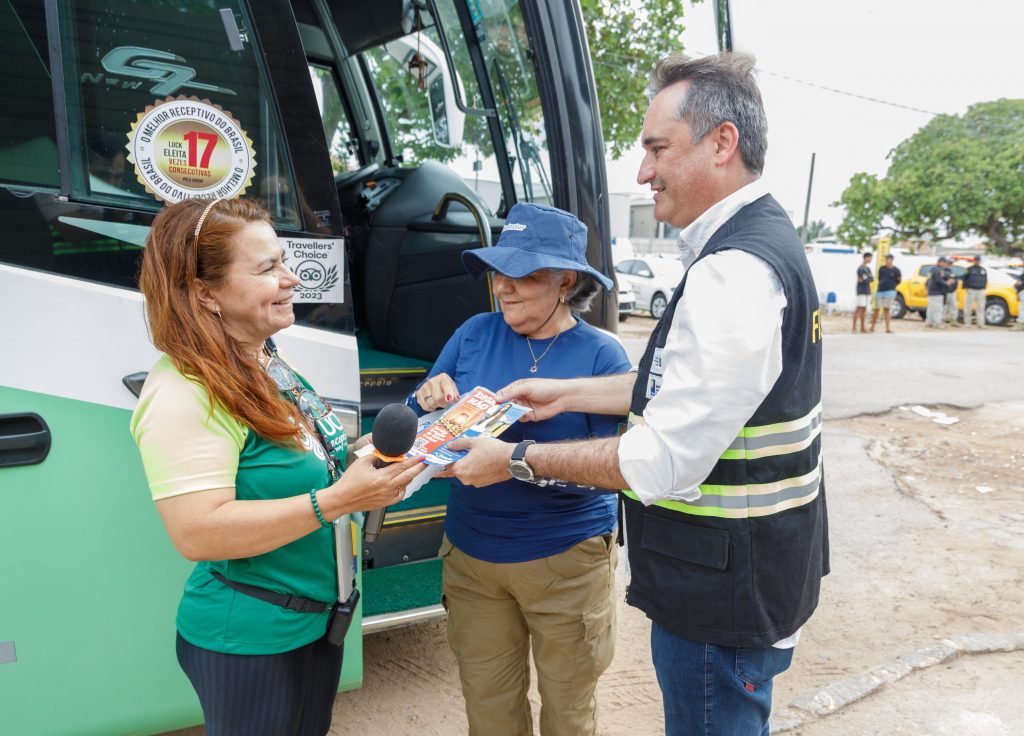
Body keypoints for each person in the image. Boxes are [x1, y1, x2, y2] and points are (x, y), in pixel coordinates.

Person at [442, 54, 828, 736]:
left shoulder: (733, 271)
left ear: (722, 142)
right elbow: (686, 388)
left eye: (656, 149)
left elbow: (659, 460)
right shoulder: (752, 248)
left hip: (723, 587)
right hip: (744, 573)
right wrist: (564, 394)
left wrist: (515, 459)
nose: (644, 172)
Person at [131, 198, 424, 736]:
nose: (292, 279)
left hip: (312, 624)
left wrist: (392, 461)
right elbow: (197, 532)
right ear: (204, 293)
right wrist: (339, 500)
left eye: (284, 261)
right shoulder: (185, 390)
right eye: (267, 269)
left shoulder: (263, 357)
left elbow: (311, 457)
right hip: (251, 637)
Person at [411, 202, 631, 736]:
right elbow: (424, 415)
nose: (503, 288)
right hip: (472, 559)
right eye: (497, 273)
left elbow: (614, 468)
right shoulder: (472, 334)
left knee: (568, 712)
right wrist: (429, 393)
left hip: (565, 562)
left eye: (523, 275)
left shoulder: (605, 358)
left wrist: (511, 465)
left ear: (566, 281)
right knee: (488, 710)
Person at [870, 253, 901, 333]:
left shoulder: (896, 270)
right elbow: (879, 278)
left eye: (888, 259)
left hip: (890, 291)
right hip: (880, 291)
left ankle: (887, 328)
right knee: (876, 309)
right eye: (886, 259)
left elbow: (898, 280)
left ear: (891, 260)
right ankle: (872, 327)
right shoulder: (882, 269)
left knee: (886, 309)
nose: (887, 261)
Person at [963, 255, 988, 328]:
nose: (977, 261)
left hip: (980, 290)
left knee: (981, 307)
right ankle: (967, 323)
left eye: (978, 260)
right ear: (973, 260)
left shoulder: (983, 270)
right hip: (971, 290)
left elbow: (985, 279)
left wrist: (984, 287)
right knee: (968, 307)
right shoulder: (968, 269)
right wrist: (967, 287)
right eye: (976, 260)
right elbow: (964, 278)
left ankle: (981, 323)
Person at [925, 256, 950, 328]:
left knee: (931, 308)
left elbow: (928, 280)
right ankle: (937, 323)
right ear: (940, 262)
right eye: (944, 262)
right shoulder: (938, 270)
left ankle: (929, 322)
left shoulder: (932, 269)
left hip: (931, 291)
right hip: (937, 292)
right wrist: (946, 283)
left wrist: (927, 289)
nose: (945, 264)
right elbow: (938, 280)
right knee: (937, 308)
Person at [853, 251, 873, 333]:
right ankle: (854, 327)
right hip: (861, 291)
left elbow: (871, 279)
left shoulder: (867, 268)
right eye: (870, 257)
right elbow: (863, 279)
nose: (871, 259)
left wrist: (866, 278)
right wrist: (866, 278)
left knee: (864, 309)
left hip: (867, 290)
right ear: (866, 258)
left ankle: (862, 328)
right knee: (859, 308)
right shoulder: (860, 268)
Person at [942, 259, 961, 327]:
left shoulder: (951, 272)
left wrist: (954, 285)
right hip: (945, 292)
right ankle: (942, 321)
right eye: (948, 263)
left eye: (950, 264)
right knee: (944, 307)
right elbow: (941, 280)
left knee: (954, 307)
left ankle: (953, 320)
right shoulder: (942, 271)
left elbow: (955, 281)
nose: (949, 265)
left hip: (952, 292)